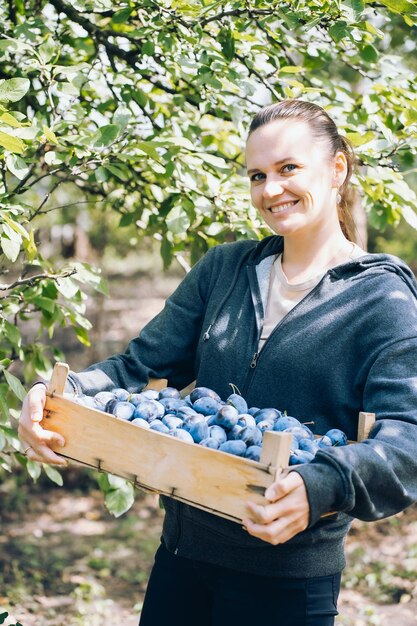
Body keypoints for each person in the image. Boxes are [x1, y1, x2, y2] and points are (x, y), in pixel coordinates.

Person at [18, 99, 417, 626]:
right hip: (183, 560)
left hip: (286, 579)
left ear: (337, 168)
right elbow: (137, 369)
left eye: (288, 168)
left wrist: (321, 483)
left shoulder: (381, 299)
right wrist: (56, 394)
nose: (271, 189)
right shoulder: (224, 269)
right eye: (257, 175)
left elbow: (407, 440)